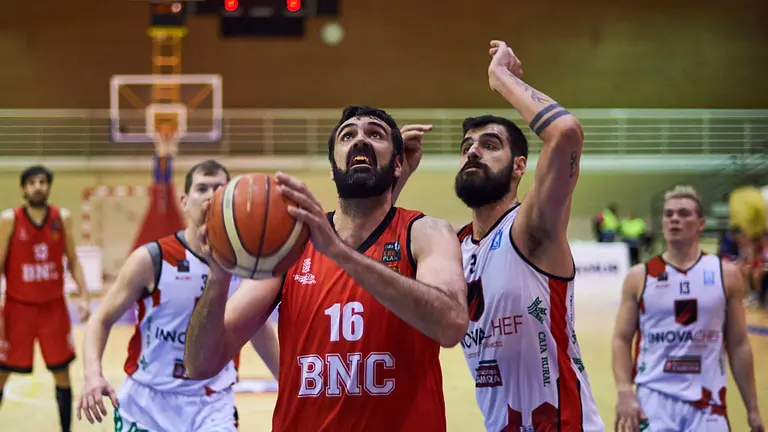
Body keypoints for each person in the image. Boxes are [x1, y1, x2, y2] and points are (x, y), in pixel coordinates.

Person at [184, 107, 468, 431]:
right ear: (333, 170)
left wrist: (338, 251)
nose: (360, 139)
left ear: (399, 164)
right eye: (348, 136)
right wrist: (218, 276)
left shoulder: (425, 232)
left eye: (375, 134)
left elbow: (451, 325)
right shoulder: (292, 247)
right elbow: (200, 363)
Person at [449, 41, 604, 431]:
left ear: (520, 167)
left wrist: (500, 77)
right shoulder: (454, 247)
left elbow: (566, 133)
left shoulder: (530, 228)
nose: (472, 153)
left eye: (489, 145)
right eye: (467, 146)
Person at [76, 160, 280, 431]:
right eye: (201, 188)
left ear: (231, 199)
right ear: (184, 201)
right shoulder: (152, 259)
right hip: (147, 402)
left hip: (212, 404)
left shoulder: (247, 263)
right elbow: (100, 318)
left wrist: (290, 383)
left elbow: (258, 330)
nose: (210, 196)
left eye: (219, 189)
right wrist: (92, 374)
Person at [612, 185, 764, 432]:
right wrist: (623, 391)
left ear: (701, 223)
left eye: (684, 213)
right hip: (653, 400)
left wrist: (753, 410)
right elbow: (621, 339)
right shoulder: (640, 276)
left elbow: (738, 345)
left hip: (708, 401)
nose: (674, 219)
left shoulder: (725, 274)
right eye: (668, 214)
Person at [0, 165, 90, 432]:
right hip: (18, 309)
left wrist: (84, 295)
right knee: (2, 373)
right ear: (23, 188)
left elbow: (72, 259)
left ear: (48, 186)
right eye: (31, 182)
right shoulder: (10, 219)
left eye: (42, 181)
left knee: (62, 372)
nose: (38, 186)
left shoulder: (62, 217)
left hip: (53, 308)